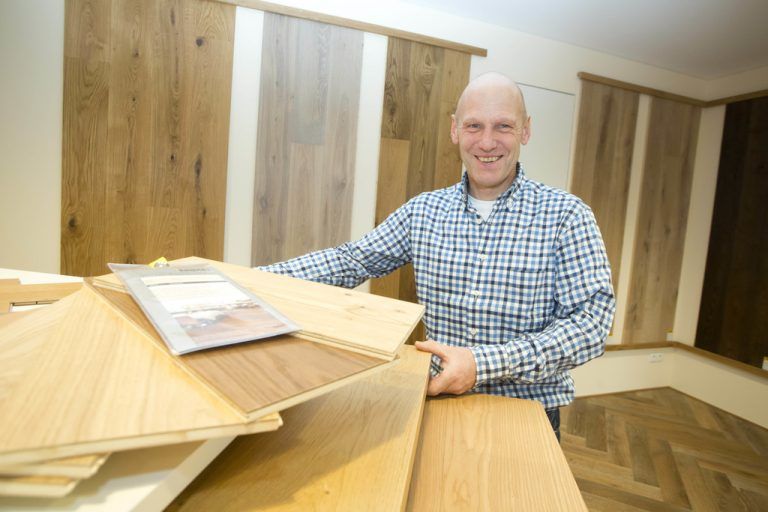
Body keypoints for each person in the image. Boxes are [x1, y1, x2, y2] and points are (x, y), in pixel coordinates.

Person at [259, 72, 615, 441]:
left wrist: (481, 364)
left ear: (525, 131)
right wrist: (248, 280)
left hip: (527, 418)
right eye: (474, 125)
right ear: (455, 130)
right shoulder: (423, 212)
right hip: (438, 405)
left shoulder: (567, 216)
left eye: (503, 126)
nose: (488, 141)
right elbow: (351, 261)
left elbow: (590, 326)